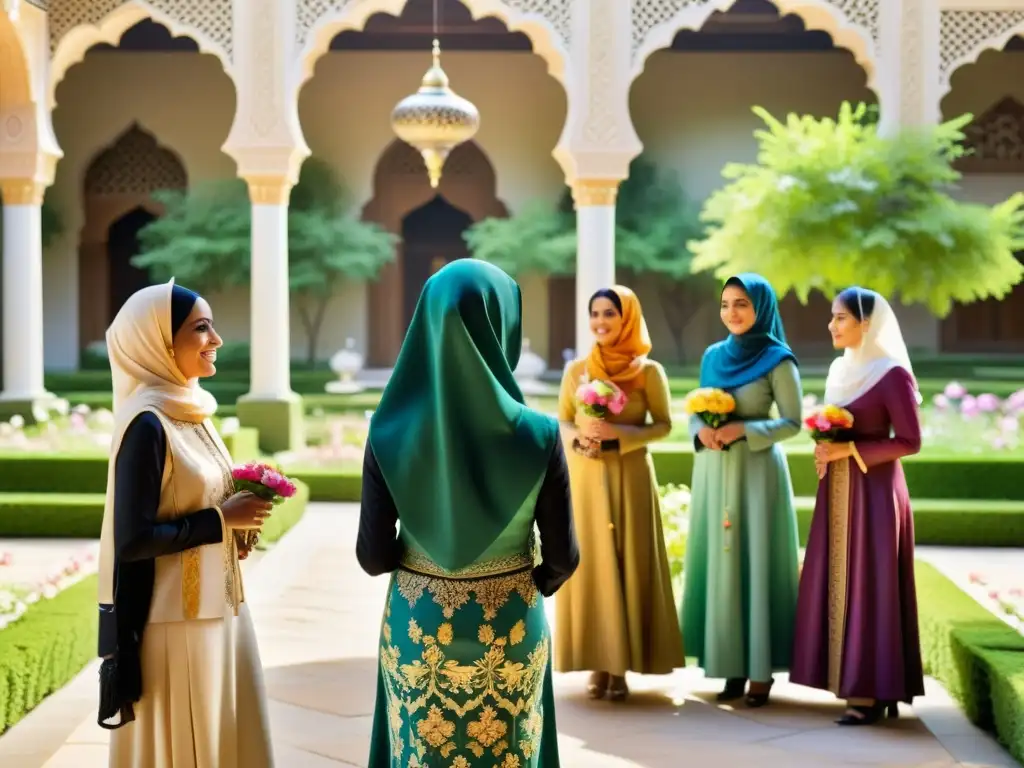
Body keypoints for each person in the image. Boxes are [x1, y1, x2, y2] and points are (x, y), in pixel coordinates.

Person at [357, 259, 579, 768]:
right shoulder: (539, 434)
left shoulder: (388, 432)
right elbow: (564, 556)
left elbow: (372, 556)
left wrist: (424, 566)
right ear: (503, 324)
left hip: (418, 627)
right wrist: (525, 580)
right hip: (510, 628)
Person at [96, 281, 275, 767]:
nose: (216, 339)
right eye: (201, 328)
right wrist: (220, 521)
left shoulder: (191, 411)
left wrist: (234, 530)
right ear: (158, 341)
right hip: (175, 626)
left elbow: (188, 507)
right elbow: (131, 540)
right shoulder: (147, 423)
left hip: (220, 611)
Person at [790, 287, 924, 726]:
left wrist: (846, 451)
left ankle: (869, 692)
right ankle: (849, 681)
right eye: (832, 317)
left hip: (876, 493)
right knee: (837, 579)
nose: (831, 325)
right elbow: (833, 431)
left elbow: (910, 441)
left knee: (871, 582)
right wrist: (825, 448)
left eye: (841, 318)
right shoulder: (838, 370)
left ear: (866, 324)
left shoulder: (892, 375)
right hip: (838, 490)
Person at [554, 286, 684, 702]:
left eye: (610, 313)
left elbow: (663, 425)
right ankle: (596, 659)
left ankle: (620, 666)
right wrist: (582, 438)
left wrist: (619, 434)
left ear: (627, 316)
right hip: (587, 478)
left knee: (628, 560)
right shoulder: (577, 371)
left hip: (630, 476)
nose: (601, 322)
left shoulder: (649, 372)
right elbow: (562, 422)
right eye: (595, 314)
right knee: (592, 565)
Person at [680, 274, 802, 708]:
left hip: (756, 474)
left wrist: (742, 430)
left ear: (761, 309)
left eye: (742, 304)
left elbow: (792, 421)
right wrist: (702, 433)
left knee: (755, 562)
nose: (731, 312)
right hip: (715, 472)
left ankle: (760, 671)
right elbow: (696, 409)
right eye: (726, 304)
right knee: (721, 563)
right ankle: (728, 664)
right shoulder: (713, 356)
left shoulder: (778, 360)